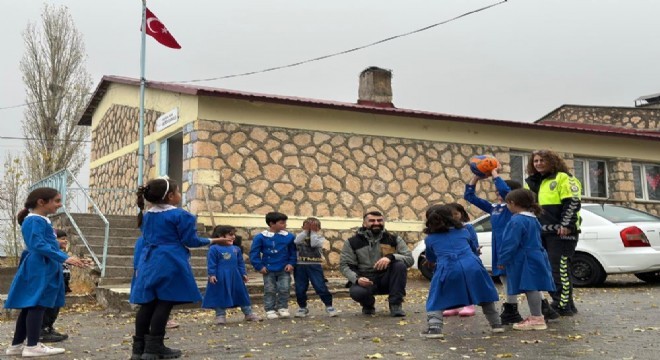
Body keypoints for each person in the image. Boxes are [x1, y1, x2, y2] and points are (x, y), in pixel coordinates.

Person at [129, 178, 227, 360]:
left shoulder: (147, 215)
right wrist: (214, 240)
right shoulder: (181, 216)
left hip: (148, 260)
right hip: (170, 260)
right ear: (170, 196)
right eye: (178, 191)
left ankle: (138, 349)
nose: (180, 195)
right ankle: (153, 349)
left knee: (147, 304)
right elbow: (191, 241)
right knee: (164, 302)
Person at [4, 188, 85, 357]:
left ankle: (17, 345)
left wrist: (60, 249)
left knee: (30, 305)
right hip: (39, 266)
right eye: (56, 201)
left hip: (42, 264)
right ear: (41, 202)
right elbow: (37, 245)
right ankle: (32, 345)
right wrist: (64, 258)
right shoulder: (35, 221)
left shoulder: (40, 220)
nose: (59, 204)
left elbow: (43, 242)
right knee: (37, 303)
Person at [420, 205, 503, 338]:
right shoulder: (464, 231)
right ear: (451, 217)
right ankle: (496, 324)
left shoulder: (430, 239)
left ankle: (434, 329)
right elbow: (473, 249)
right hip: (473, 266)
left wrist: (431, 261)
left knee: (437, 296)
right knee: (484, 294)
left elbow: (431, 257)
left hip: (448, 268)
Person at [463, 169, 528, 325]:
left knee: (521, 279)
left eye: (501, 192)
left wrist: (494, 174)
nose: (498, 195)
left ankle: (539, 309)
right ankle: (512, 310)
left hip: (511, 247)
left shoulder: (513, 209)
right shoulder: (494, 208)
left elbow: (507, 193)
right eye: (497, 192)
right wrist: (475, 178)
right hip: (498, 247)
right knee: (504, 278)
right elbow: (469, 196)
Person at [525, 149, 582, 317]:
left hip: (562, 232)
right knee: (549, 269)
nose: (538, 163)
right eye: (536, 161)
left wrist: (566, 224)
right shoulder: (534, 182)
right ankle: (566, 304)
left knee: (560, 268)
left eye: (543, 160)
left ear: (552, 161)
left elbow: (572, 202)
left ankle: (562, 304)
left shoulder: (564, 178)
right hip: (543, 231)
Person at [498, 189, 556, 331]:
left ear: (513, 203)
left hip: (525, 259)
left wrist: (503, 259)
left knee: (531, 288)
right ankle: (536, 316)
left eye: (508, 203)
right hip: (535, 255)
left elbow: (510, 242)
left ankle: (537, 318)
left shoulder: (517, 220)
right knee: (533, 287)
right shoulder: (533, 218)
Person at [339, 211, 414, 317]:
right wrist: (357, 279)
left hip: (387, 278)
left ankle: (395, 305)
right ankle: (368, 305)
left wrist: (391, 257)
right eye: (372, 220)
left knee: (399, 265)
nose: (376, 223)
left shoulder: (394, 239)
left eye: (379, 220)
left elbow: (409, 259)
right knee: (357, 292)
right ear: (364, 224)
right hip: (366, 279)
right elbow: (344, 265)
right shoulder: (352, 242)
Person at [203, 225, 261, 324]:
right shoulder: (214, 249)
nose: (233, 237)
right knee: (220, 294)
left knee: (241, 294)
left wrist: (243, 273)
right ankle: (220, 315)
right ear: (220, 236)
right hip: (220, 277)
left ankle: (248, 313)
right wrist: (212, 274)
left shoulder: (236, 249)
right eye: (230, 235)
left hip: (236, 276)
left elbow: (240, 263)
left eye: (234, 234)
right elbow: (211, 263)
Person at [249, 212, 297, 320]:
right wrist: (259, 266)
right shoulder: (260, 237)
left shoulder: (289, 237)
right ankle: (270, 309)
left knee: (285, 288)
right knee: (269, 289)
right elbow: (254, 253)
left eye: (285, 222)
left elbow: (293, 252)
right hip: (268, 269)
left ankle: (283, 307)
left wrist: (291, 263)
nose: (285, 225)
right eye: (282, 223)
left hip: (284, 268)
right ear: (272, 223)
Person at [440, 203, 480, 317]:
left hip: (467, 260)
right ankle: (454, 306)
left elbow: (473, 243)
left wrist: (475, 253)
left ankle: (469, 305)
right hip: (451, 262)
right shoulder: (445, 229)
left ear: (462, 214)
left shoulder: (467, 227)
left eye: (456, 214)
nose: (453, 217)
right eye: (450, 214)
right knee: (452, 283)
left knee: (467, 283)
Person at [293, 217, 337, 318]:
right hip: (300, 266)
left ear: (319, 229)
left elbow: (313, 244)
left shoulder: (321, 238)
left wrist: (312, 232)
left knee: (320, 286)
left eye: (314, 227)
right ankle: (302, 307)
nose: (310, 228)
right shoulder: (299, 236)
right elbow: (296, 242)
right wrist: (305, 231)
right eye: (307, 226)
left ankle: (329, 305)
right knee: (300, 288)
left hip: (314, 265)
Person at [38, 229, 72, 343]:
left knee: (56, 308)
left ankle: (49, 328)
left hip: (61, 283)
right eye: (62, 239)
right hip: (51, 284)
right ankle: (42, 330)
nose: (65, 241)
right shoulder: (51, 252)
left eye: (66, 239)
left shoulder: (61, 254)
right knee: (49, 307)